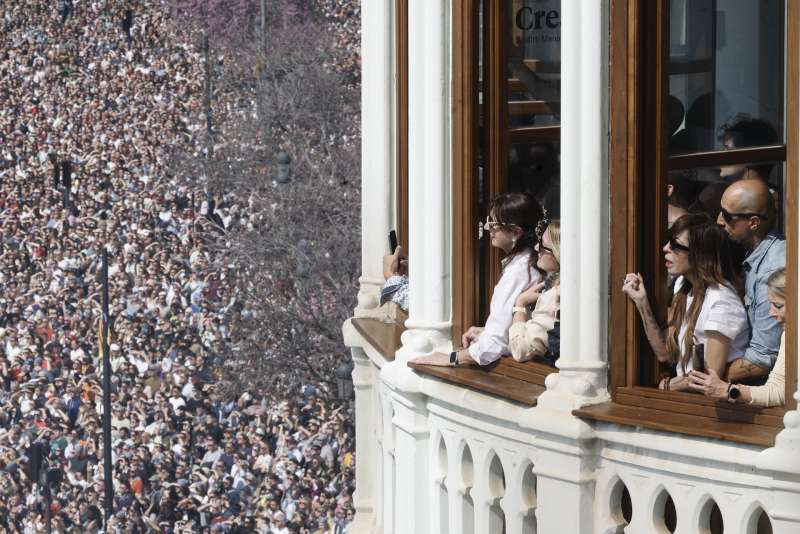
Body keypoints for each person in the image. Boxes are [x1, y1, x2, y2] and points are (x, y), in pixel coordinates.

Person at [410, 193, 544, 366]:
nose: (487, 228)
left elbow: (493, 346)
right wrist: (486, 331)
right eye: (488, 221)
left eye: (494, 224)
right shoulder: (527, 263)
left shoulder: (518, 273)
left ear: (516, 232)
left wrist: (451, 358)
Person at [622, 213, 748, 391]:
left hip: (708, 403)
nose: (665, 248)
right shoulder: (683, 288)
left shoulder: (722, 302)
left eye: (675, 245)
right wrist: (641, 302)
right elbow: (664, 353)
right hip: (687, 398)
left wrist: (668, 385)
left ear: (699, 254)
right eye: (668, 242)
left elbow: (708, 378)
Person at [717, 175, 785, 382]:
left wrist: (707, 374)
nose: (719, 220)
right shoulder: (753, 252)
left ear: (753, 222)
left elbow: (760, 362)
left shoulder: (771, 270)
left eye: (727, 216)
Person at [688, 268, 786, 407]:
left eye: (778, 306)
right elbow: (775, 387)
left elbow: (780, 393)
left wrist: (727, 390)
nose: (771, 313)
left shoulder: (720, 298)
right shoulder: (787, 335)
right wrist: (728, 390)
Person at [508, 219, 560, 365]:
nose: (537, 247)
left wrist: (520, 304)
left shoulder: (554, 296)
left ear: (558, 251)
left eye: (543, 245)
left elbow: (520, 350)